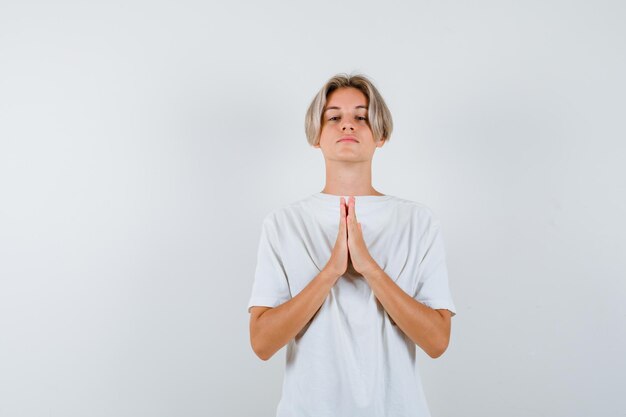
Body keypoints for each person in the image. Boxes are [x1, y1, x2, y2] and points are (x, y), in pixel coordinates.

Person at [247, 73, 457, 417]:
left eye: (361, 116)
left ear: (381, 134)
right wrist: (330, 271)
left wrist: (370, 268)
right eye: (334, 117)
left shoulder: (418, 222)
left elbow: (437, 341)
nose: (348, 125)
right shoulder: (283, 224)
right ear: (316, 134)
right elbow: (262, 343)